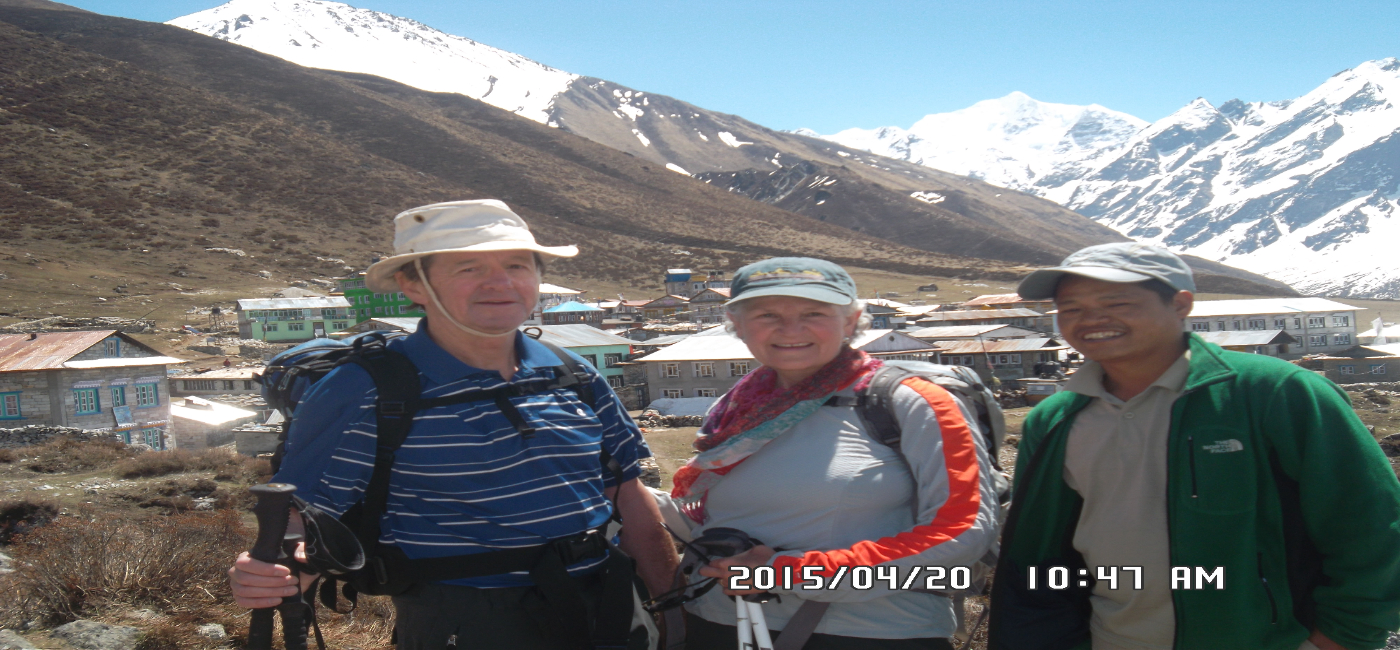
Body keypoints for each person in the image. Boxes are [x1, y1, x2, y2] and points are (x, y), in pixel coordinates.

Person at [227, 200, 679, 649]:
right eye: (467, 268)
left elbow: (628, 495)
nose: (500, 283)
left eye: (518, 265)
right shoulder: (366, 389)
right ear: (412, 285)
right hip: (468, 623)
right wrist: (271, 574)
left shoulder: (573, 373)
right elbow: (302, 514)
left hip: (612, 607)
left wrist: (676, 613)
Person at [987, 243, 1400, 650]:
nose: (1092, 318)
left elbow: (1372, 526)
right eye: (1071, 308)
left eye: (1117, 302)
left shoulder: (1275, 393)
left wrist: (1341, 638)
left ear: (1181, 304)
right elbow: (1040, 557)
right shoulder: (1055, 419)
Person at [671, 257, 1002, 649]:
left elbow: (961, 531)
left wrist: (789, 574)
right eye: (766, 314)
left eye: (814, 312)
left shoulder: (914, 403)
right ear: (736, 323)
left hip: (871, 634)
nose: (791, 329)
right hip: (719, 624)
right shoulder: (733, 410)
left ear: (851, 320)